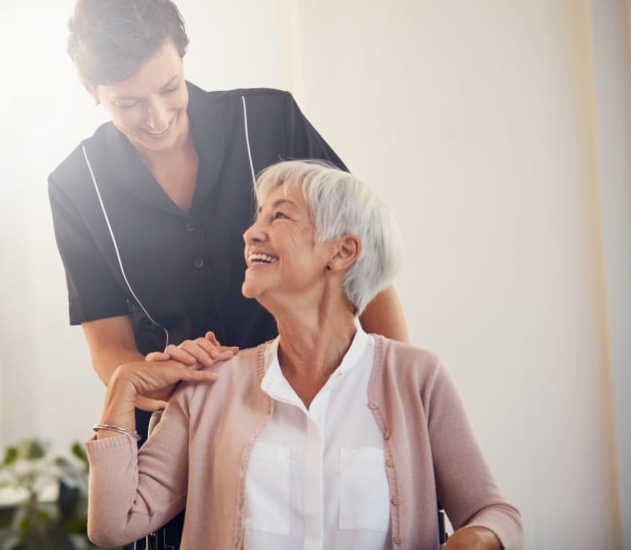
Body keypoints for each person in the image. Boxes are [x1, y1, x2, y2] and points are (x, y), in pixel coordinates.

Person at [48, 0, 408, 547]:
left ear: (183, 59)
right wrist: (172, 387)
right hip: (182, 448)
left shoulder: (269, 122)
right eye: (129, 103)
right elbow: (108, 346)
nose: (158, 116)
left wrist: (399, 390)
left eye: (170, 87)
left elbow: (362, 262)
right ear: (91, 90)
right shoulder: (75, 187)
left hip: (318, 412)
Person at [85, 159, 523, 549]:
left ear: (342, 251)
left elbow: (496, 515)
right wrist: (123, 385)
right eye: (258, 217)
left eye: (280, 216)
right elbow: (114, 525)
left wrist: (476, 541)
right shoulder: (210, 384)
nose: (251, 232)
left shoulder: (417, 377)